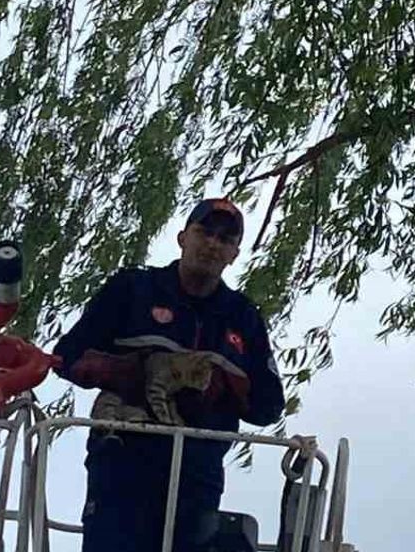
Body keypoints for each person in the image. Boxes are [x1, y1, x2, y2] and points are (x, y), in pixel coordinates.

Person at [52, 198, 285, 552]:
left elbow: (269, 407)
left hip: (198, 469)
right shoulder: (133, 289)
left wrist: (222, 386)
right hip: (122, 457)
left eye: (225, 239)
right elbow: (66, 357)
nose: (213, 244)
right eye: (205, 232)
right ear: (182, 237)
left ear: (234, 254)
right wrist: (128, 371)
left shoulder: (243, 317)